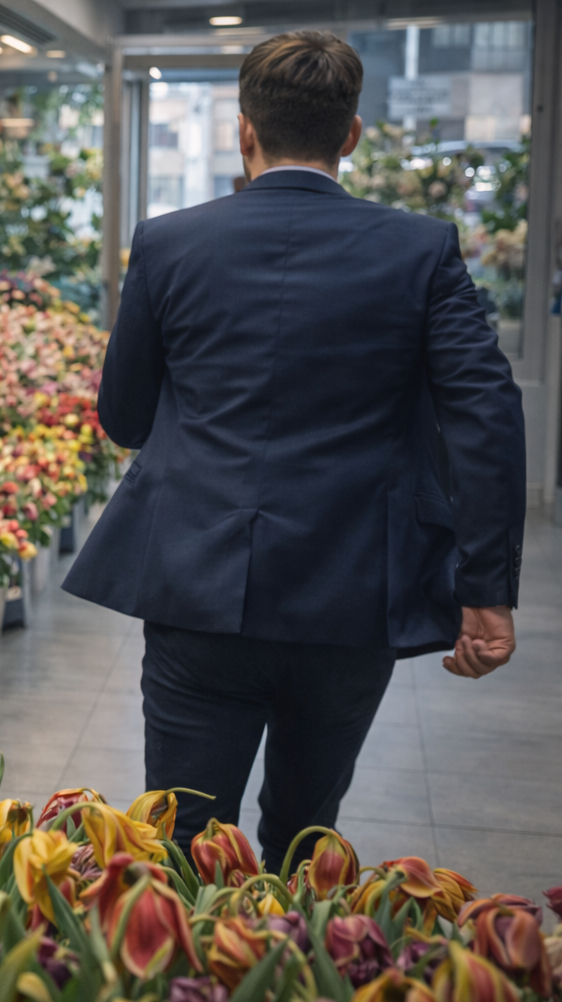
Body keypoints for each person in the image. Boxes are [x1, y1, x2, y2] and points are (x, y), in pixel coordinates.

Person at [63, 31, 525, 872]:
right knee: (306, 841)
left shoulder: (168, 243)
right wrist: (485, 588)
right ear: (351, 135)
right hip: (353, 593)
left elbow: (124, 417)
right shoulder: (422, 249)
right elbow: (486, 414)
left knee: (182, 841)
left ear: (244, 130)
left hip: (198, 587)